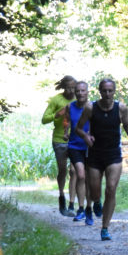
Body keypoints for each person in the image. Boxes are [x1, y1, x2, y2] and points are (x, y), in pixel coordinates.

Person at [75, 78, 128, 241]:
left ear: (114, 91)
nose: (107, 93)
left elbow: (127, 124)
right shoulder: (91, 107)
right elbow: (78, 128)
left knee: (111, 189)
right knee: (95, 192)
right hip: (95, 154)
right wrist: (86, 137)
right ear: (100, 91)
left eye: (110, 91)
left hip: (113, 154)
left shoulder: (121, 108)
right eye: (104, 91)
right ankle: (97, 202)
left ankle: (105, 228)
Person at [41, 75, 78, 216]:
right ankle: (62, 195)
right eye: (68, 88)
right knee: (62, 170)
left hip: (75, 139)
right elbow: (44, 119)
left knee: (74, 171)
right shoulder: (56, 100)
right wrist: (57, 114)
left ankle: (71, 204)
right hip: (59, 140)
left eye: (73, 88)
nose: (71, 91)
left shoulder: (79, 98)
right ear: (63, 87)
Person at [66, 81, 93, 226]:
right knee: (80, 175)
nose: (80, 93)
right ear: (74, 93)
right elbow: (68, 123)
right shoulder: (70, 107)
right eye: (78, 91)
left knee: (90, 179)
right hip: (74, 146)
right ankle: (80, 208)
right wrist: (66, 133)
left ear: (87, 92)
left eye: (83, 91)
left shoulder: (93, 107)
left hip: (90, 147)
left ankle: (89, 208)